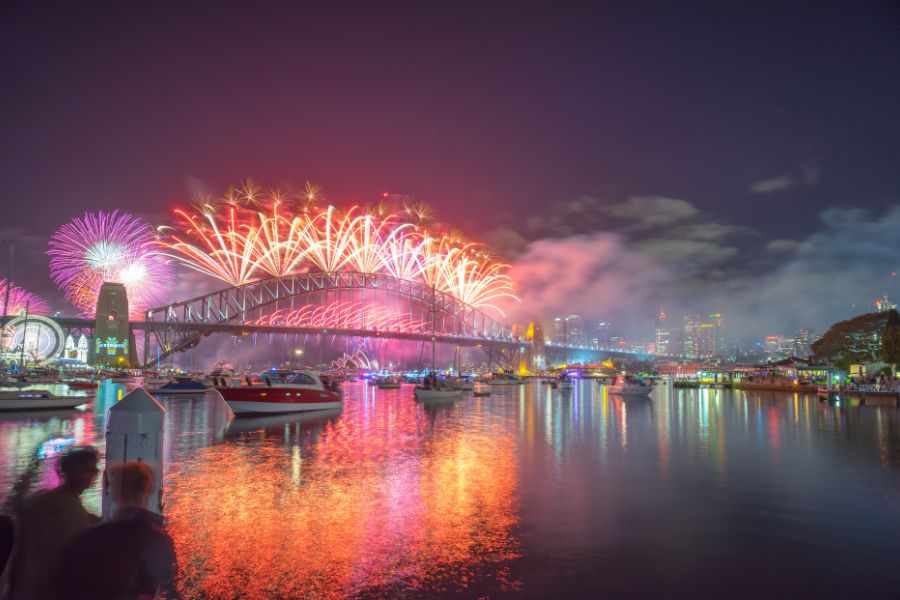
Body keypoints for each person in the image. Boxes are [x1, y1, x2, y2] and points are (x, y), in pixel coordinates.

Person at [57, 461, 178, 599]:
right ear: (148, 489)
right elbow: (166, 592)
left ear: (113, 493)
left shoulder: (88, 539)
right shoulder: (156, 539)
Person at [1, 446, 99, 600]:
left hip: (20, 587)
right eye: (87, 470)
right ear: (68, 472)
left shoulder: (44, 498)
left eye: (94, 469)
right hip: (46, 589)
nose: (94, 474)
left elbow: (13, 506)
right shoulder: (68, 509)